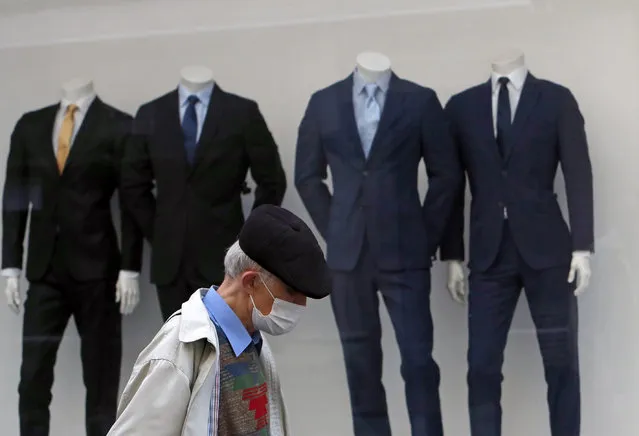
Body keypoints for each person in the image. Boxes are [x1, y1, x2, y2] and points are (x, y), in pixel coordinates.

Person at [107, 205, 331, 435]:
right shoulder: (177, 351)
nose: (300, 304)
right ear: (251, 282)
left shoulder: (254, 342)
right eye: (292, 291)